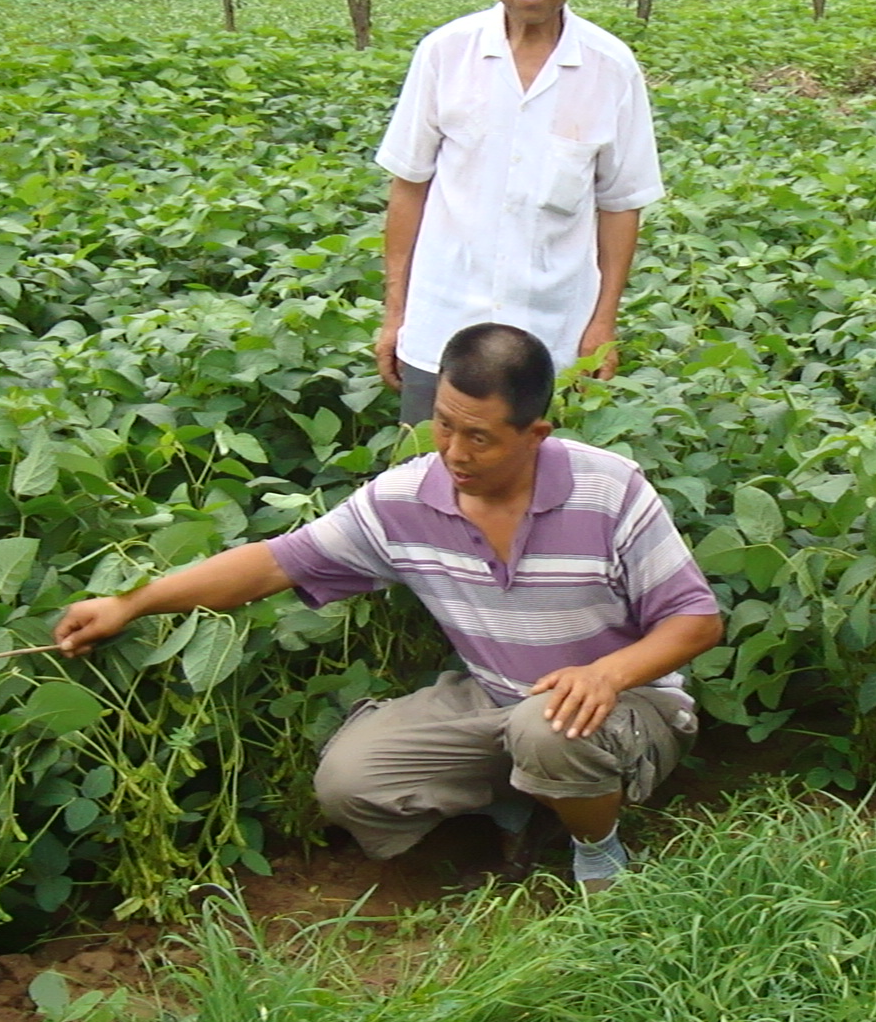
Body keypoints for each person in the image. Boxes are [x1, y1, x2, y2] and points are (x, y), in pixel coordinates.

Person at [54, 323, 722, 891]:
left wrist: (605, 675)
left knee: (548, 727)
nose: (455, 452)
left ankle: (597, 851)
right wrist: (130, 603)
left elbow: (696, 620)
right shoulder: (404, 500)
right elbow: (271, 564)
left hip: (629, 708)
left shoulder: (609, 489)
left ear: (536, 433)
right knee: (350, 780)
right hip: (496, 703)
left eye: (480, 437)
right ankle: (528, 806)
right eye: (444, 425)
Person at [373, 0, 664, 425]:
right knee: (424, 491)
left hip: (553, 338)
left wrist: (603, 323)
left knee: (546, 496)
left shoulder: (611, 68)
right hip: (441, 332)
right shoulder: (444, 54)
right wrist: (396, 313)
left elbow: (621, 205)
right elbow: (408, 187)